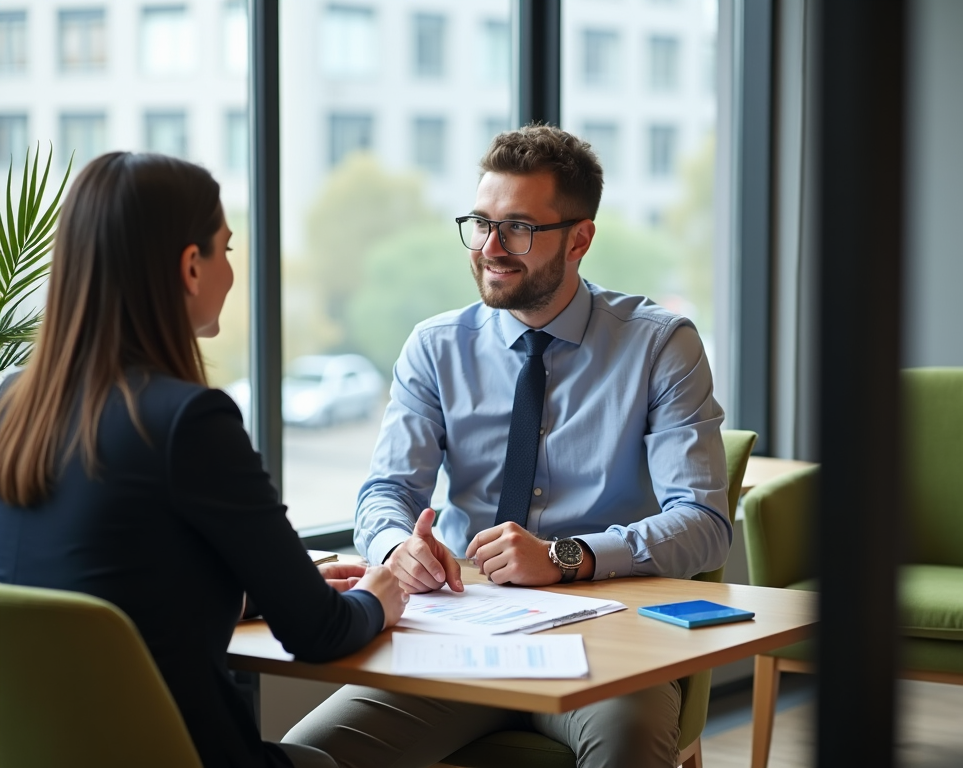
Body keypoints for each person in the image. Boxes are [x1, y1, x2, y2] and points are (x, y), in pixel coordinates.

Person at [284, 125, 729, 768]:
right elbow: (385, 494)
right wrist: (398, 549)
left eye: (519, 227)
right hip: (459, 636)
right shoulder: (435, 348)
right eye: (481, 223)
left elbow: (705, 524)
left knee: (626, 749)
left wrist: (565, 556)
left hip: (607, 638)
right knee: (307, 756)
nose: (491, 247)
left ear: (580, 239)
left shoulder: (660, 345)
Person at [0, 152, 407, 768]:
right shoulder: (187, 422)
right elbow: (319, 634)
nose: (231, 270)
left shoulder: (10, 400)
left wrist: (254, 595)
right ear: (192, 266)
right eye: (227, 249)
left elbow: (98, 579)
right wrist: (381, 594)